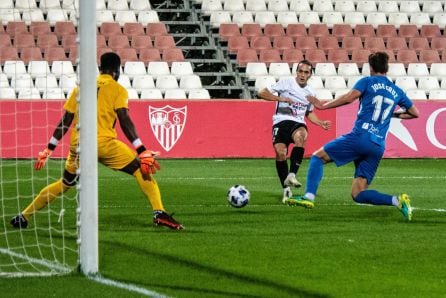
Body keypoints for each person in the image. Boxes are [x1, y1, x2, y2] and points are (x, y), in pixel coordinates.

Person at [11, 52, 183, 230]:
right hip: (104, 144)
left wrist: (49, 148)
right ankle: (159, 212)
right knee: (141, 169)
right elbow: (124, 119)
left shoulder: (80, 89)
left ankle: (23, 216)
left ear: (101, 68)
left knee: (65, 183)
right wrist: (141, 149)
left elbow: (66, 120)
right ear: (117, 71)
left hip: (78, 146)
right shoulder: (117, 89)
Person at [285, 52, 419, 221]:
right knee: (358, 193)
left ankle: (309, 197)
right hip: (378, 145)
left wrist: (324, 106)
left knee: (318, 157)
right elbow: (415, 113)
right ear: (387, 67)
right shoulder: (396, 90)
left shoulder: (367, 81)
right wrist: (393, 115)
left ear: (370, 67)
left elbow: (349, 98)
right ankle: (397, 201)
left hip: (361, 136)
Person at [257, 60, 331, 202]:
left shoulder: (310, 92)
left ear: (310, 75)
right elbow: (261, 92)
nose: (303, 75)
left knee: (301, 136)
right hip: (280, 121)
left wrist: (320, 123)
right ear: (296, 72)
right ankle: (286, 189)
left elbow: (308, 113)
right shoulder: (286, 83)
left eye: (306, 72)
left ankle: (292, 174)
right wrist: (280, 98)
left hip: (297, 122)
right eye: (300, 71)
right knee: (280, 153)